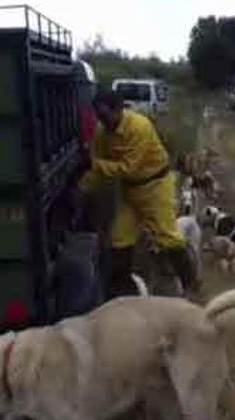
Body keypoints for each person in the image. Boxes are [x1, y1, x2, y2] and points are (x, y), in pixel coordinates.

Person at [79, 89, 198, 298]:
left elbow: (128, 168)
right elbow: (97, 171)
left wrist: (96, 165)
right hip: (130, 191)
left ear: (119, 110)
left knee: (167, 238)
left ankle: (191, 285)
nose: (103, 121)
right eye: (99, 116)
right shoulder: (102, 132)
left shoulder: (139, 127)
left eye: (105, 116)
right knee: (119, 241)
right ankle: (123, 294)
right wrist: (83, 188)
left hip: (155, 187)